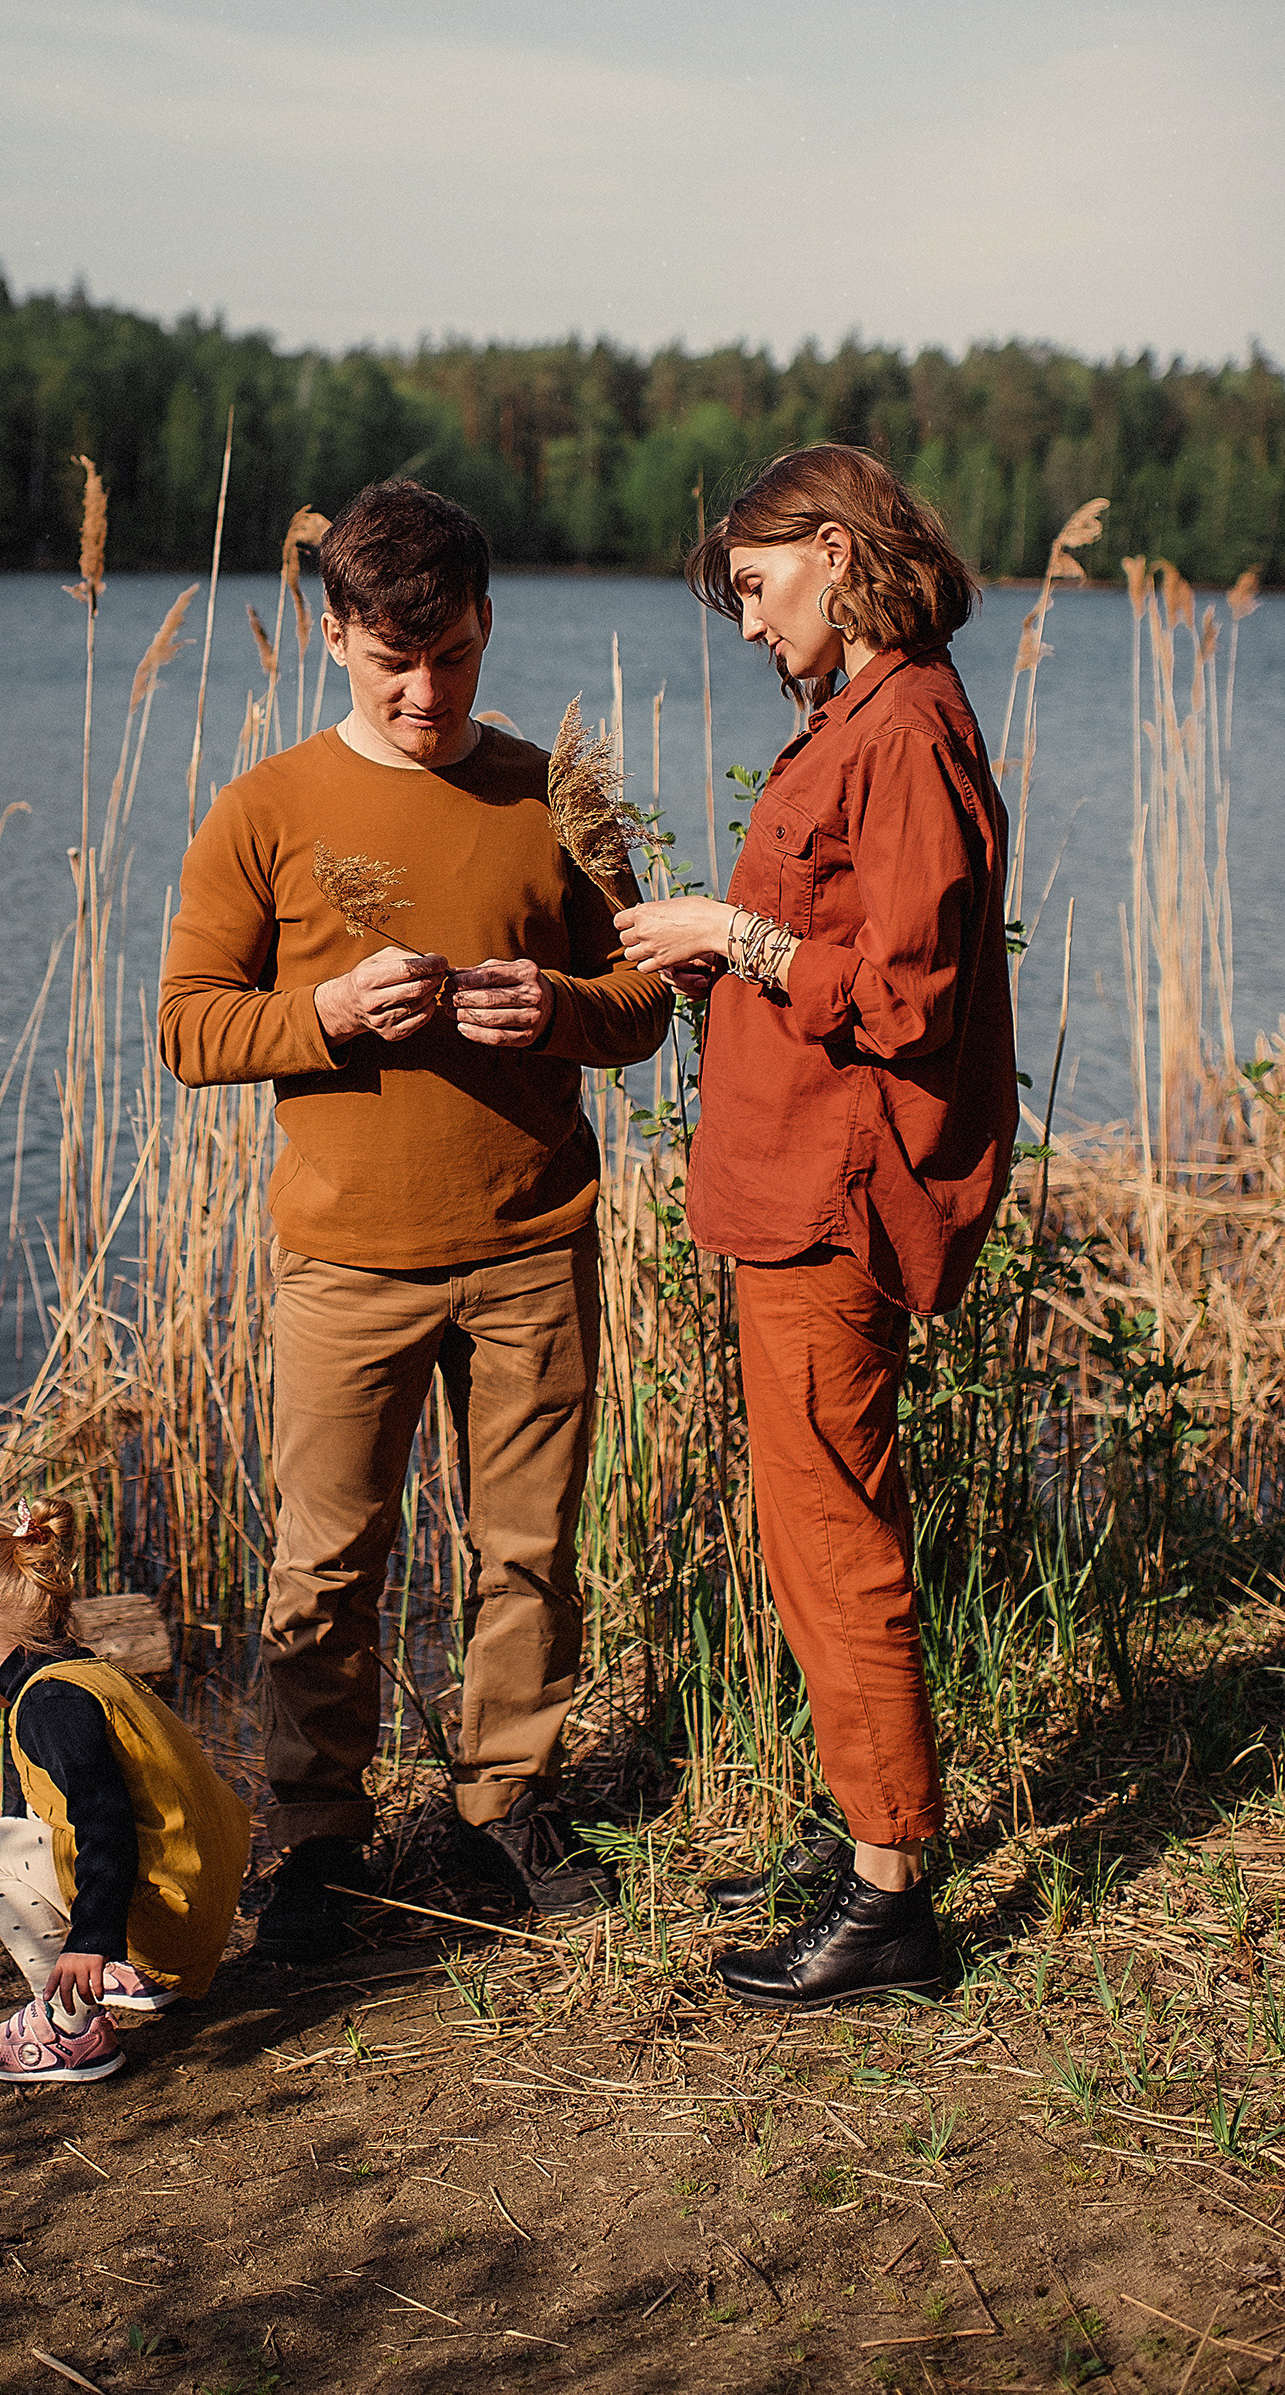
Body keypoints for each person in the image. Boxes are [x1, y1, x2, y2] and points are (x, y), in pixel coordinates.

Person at [159, 478, 672, 1962]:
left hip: (533, 1246)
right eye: (394, 660)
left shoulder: (554, 795)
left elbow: (644, 1001)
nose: (428, 691)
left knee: (529, 1549)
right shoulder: (265, 809)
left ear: (486, 624)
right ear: (334, 637)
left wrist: (559, 1007)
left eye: (451, 655)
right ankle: (320, 1837)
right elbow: (188, 1026)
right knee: (325, 1566)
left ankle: (504, 1806)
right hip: (347, 1264)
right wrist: (322, 1012)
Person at [615, 444, 1017, 2009]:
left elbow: (911, 997)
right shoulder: (860, 713)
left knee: (835, 1539)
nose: (747, 620)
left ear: (837, 552)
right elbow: (845, 945)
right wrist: (735, 953)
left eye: (758, 583)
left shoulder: (903, 725)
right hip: (789, 1180)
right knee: (814, 1527)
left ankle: (890, 1897)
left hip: (829, 1197)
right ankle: (865, 1830)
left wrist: (737, 933)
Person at [0, 1495, 252, 2083]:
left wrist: (90, 1937)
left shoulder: (48, 1704)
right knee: (38, 1821)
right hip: (202, 1900)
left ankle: (68, 2030)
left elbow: (107, 1825)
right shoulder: (94, 1677)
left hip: (171, 1919)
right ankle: (137, 1973)